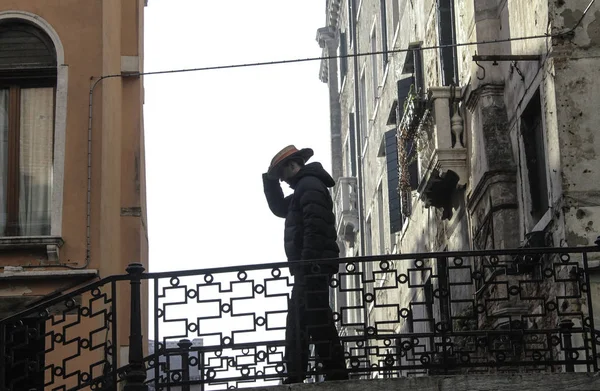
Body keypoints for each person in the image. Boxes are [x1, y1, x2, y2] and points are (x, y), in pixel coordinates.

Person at [262, 145, 348, 383]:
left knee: (305, 320)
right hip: (311, 266)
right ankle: (327, 372)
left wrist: (306, 263)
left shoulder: (308, 186)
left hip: (312, 266)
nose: (282, 178)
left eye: (281, 173)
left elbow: (315, 225)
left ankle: (309, 373)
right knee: (312, 318)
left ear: (292, 166)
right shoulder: (304, 187)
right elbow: (280, 208)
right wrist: (269, 180)